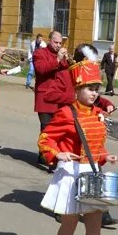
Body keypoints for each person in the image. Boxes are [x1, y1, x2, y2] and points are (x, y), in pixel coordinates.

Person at [38, 59, 118, 235]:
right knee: (69, 224)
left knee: (95, 227)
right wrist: (58, 153)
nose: (94, 93)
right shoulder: (66, 113)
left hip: (92, 175)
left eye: (97, 89)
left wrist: (106, 155)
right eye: (90, 88)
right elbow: (44, 139)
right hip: (71, 174)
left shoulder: (98, 114)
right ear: (77, 89)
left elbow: (96, 145)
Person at [33, 31, 71, 167]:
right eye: (56, 42)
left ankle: (51, 155)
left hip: (59, 98)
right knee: (46, 128)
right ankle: (45, 156)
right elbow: (40, 69)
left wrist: (66, 61)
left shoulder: (61, 55)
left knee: (58, 129)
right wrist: (57, 60)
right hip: (44, 97)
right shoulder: (39, 53)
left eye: (60, 43)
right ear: (49, 41)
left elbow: (66, 73)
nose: (58, 45)